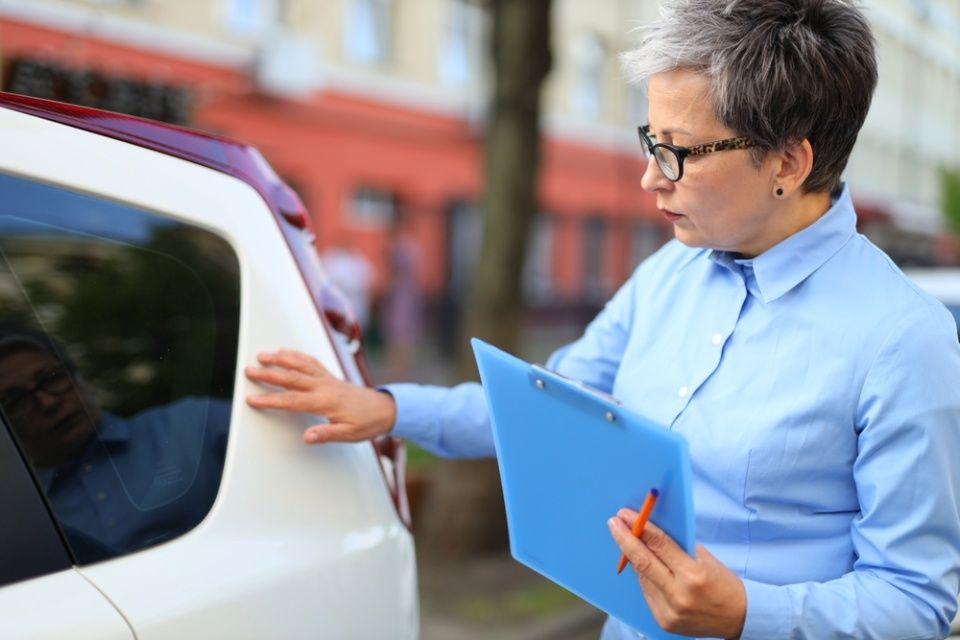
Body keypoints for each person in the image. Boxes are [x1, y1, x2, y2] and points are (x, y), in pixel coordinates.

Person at [244, 1, 960, 637]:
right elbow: (552, 408)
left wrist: (747, 613)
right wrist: (386, 408)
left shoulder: (905, 341)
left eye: (676, 152)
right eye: (651, 142)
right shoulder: (669, 273)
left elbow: (917, 602)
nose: (652, 177)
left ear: (789, 162)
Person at [0, 325, 230, 563]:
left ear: (80, 377)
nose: (47, 402)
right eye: (15, 401)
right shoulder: (22, 517)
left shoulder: (195, 424)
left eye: (52, 378)